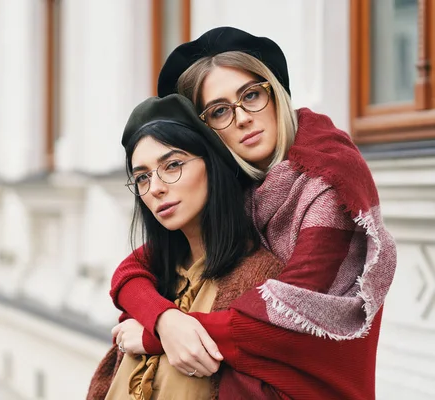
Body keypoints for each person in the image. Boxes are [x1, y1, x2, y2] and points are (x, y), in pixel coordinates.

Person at [107, 27, 397, 399]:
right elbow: (134, 269)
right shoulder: (242, 188)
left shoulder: (330, 185)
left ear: (275, 94)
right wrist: (164, 318)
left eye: (251, 95)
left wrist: (158, 334)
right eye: (220, 111)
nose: (242, 117)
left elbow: (283, 319)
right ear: (206, 131)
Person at [87, 94, 285, 399]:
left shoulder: (260, 281)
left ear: (212, 164)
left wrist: (155, 337)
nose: (155, 188)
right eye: (142, 178)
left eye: (173, 165)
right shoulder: (154, 280)